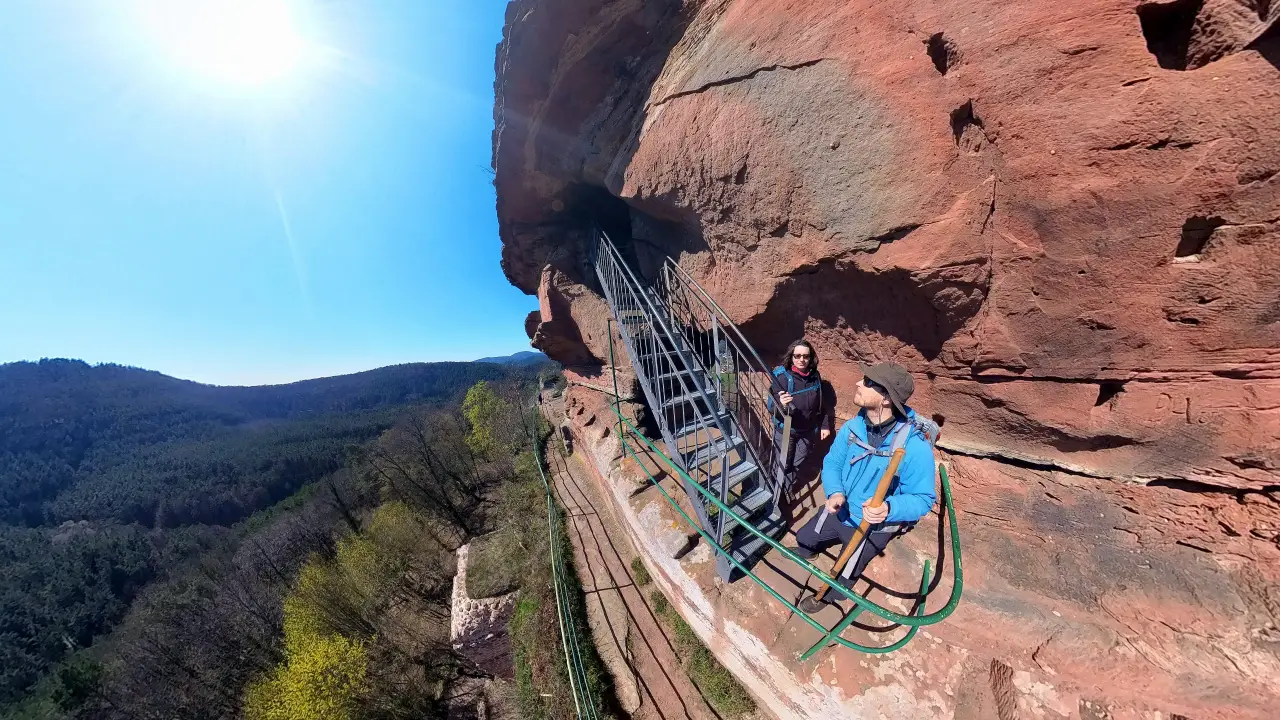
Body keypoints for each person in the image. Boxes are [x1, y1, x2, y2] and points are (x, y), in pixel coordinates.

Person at [793, 361, 938, 605]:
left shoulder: (914, 447)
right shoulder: (853, 428)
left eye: (869, 382)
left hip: (871, 526)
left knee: (844, 575)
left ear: (886, 399)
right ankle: (809, 553)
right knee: (806, 538)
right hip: (840, 509)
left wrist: (889, 509)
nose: (859, 383)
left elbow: (923, 499)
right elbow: (832, 464)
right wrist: (835, 491)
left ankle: (826, 598)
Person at [770, 339, 835, 492]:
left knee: (798, 462)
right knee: (782, 463)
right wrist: (782, 404)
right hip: (787, 432)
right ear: (791, 357)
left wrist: (825, 425)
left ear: (811, 357)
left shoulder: (815, 376)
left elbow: (822, 404)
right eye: (797, 356)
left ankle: (785, 490)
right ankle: (773, 492)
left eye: (805, 356)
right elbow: (772, 407)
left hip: (807, 431)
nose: (801, 360)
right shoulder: (783, 378)